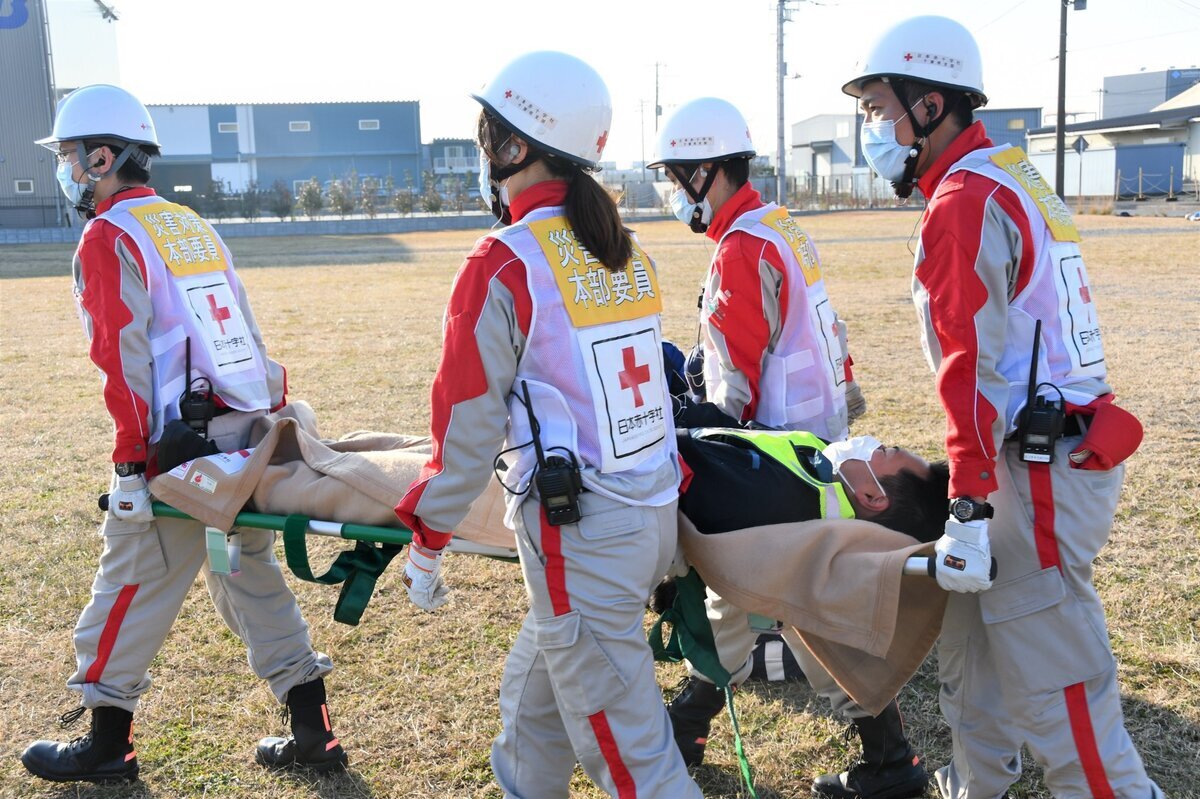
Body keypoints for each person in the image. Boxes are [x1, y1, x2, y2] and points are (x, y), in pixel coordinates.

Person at [843, 16, 1161, 798]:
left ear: (929, 105)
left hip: (1033, 467)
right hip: (1044, 452)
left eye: (881, 108)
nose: (874, 130)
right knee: (974, 654)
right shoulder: (1012, 176)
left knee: (1062, 688)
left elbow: (971, 367)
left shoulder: (966, 196)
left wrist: (972, 501)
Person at [394, 51, 702, 798]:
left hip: (583, 535)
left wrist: (429, 540)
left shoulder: (504, 262)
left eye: (485, 140)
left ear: (514, 147)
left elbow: (466, 432)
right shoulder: (626, 251)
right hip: (648, 516)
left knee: (634, 763)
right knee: (535, 713)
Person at [21, 84, 346, 784]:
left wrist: (132, 467)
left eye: (73, 155)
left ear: (102, 157)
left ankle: (107, 740)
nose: (69, 169)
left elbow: (123, 360)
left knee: (131, 581)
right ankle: (312, 726)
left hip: (178, 451)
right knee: (248, 577)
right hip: (243, 435)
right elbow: (249, 334)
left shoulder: (110, 235)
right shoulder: (192, 224)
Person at [648, 100, 923, 798]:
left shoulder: (741, 246)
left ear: (705, 172)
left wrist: (689, 432)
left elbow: (732, 385)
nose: (676, 192)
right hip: (813, 442)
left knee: (788, 605)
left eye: (677, 177)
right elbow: (831, 329)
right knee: (762, 600)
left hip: (772, 457)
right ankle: (690, 720)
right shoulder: (780, 228)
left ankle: (889, 764)